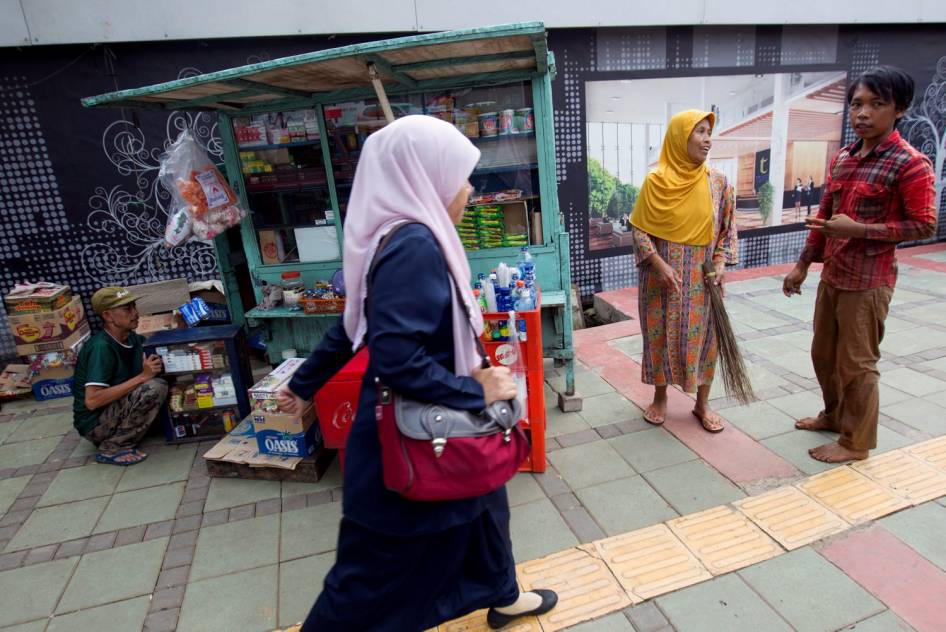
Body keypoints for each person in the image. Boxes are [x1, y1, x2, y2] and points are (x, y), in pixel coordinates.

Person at [275, 115, 557, 631]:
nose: (469, 189)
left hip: (437, 425)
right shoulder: (415, 246)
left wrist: (303, 383)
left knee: (487, 507)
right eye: (460, 174)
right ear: (424, 176)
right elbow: (395, 358)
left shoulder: (397, 235)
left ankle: (503, 593)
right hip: (412, 432)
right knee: (370, 574)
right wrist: (473, 387)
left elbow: (353, 324)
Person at [783, 66, 936, 463]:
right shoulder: (845, 160)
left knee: (857, 364)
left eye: (876, 104)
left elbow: (924, 225)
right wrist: (803, 264)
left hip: (868, 283)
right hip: (833, 274)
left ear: (899, 109)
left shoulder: (910, 163)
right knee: (823, 355)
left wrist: (862, 230)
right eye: (856, 104)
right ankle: (834, 417)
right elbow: (825, 216)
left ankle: (856, 443)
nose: (862, 113)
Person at [630, 109, 738, 432]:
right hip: (661, 280)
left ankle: (702, 404)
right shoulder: (655, 181)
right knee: (659, 335)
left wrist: (720, 263)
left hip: (703, 280)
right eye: (700, 132)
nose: (707, 140)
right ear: (681, 137)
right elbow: (639, 230)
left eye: (709, 132)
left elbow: (727, 229)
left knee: (707, 340)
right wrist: (657, 263)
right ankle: (660, 398)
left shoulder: (718, 182)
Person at [72, 287, 167, 465]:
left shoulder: (133, 339)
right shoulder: (101, 347)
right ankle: (114, 446)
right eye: (127, 309)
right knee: (155, 387)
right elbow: (92, 401)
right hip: (95, 424)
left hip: (117, 409)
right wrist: (142, 377)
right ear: (108, 316)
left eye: (134, 306)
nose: (135, 313)